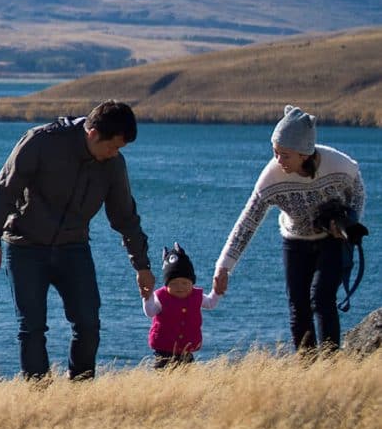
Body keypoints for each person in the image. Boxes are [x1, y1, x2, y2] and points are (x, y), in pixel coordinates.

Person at [0, 100, 154, 380]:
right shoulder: (41, 141)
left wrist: (142, 266)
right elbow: (4, 190)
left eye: (119, 150)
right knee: (32, 328)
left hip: (74, 249)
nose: (114, 154)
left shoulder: (112, 165)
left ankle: (80, 389)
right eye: (112, 147)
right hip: (25, 247)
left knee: (88, 325)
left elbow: (125, 218)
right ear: (93, 133)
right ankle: (39, 396)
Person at [213, 104, 367, 352]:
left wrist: (351, 220)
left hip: (332, 239)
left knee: (322, 298)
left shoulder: (339, 165)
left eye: (285, 155)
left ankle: (330, 364)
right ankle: (306, 366)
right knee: (298, 305)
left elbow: (357, 191)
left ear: (304, 154)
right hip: (295, 241)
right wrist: (224, 267)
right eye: (275, 152)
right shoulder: (271, 178)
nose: (278, 160)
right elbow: (247, 222)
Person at [144, 243, 219, 368]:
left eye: (185, 283)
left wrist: (217, 291)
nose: (180, 287)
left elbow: (210, 303)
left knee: (186, 378)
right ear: (166, 285)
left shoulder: (196, 296)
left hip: (187, 350)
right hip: (164, 351)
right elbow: (150, 312)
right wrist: (147, 297)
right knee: (163, 377)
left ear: (192, 282)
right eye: (174, 283)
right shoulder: (161, 297)